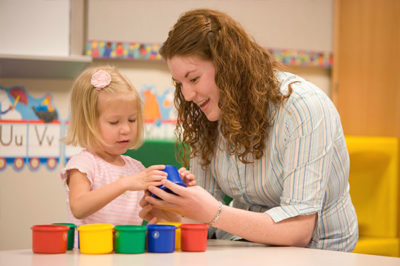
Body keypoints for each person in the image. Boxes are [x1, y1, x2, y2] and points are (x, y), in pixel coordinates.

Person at [139, 9, 358, 251]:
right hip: (247, 247)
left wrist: (212, 211)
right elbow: (207, 223)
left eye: (194, 79)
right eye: (180, 83)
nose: (188, 95)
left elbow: (298, 231)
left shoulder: (303, 107)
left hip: (319, 252)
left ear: (227, 66)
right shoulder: (208, 116)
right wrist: (175, 213)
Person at [61, 65, 168, 228]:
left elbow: (155, 211)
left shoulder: (136, 168)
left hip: (127, 251)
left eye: (132, 120)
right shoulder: (83, 165)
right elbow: (78, 207)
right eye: (114, 122)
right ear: (87, 123)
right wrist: (123, 183)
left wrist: (173, 189)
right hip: (90, 253)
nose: (126, 129)